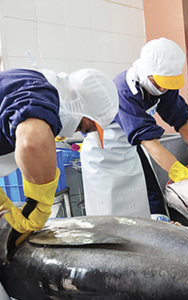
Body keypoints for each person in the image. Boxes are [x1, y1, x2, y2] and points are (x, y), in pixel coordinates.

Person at [81, 38, 188, 222]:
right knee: (110, 216)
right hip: (103, 157)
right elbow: (148, 140)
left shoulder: (163, 85)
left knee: (139, 210)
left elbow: (181, 119)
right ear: (146, 71)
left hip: (129, 150)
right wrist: (176, 171)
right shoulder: (124, 90)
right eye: (158, 83)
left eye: (167, 83)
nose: (163, 88)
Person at [0, 67, 118, 285]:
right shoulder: (38, 93)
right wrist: (40, 201)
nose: (77, 132)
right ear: (74, 101)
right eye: (83, 126)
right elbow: (32, 141)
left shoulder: (27, 84)